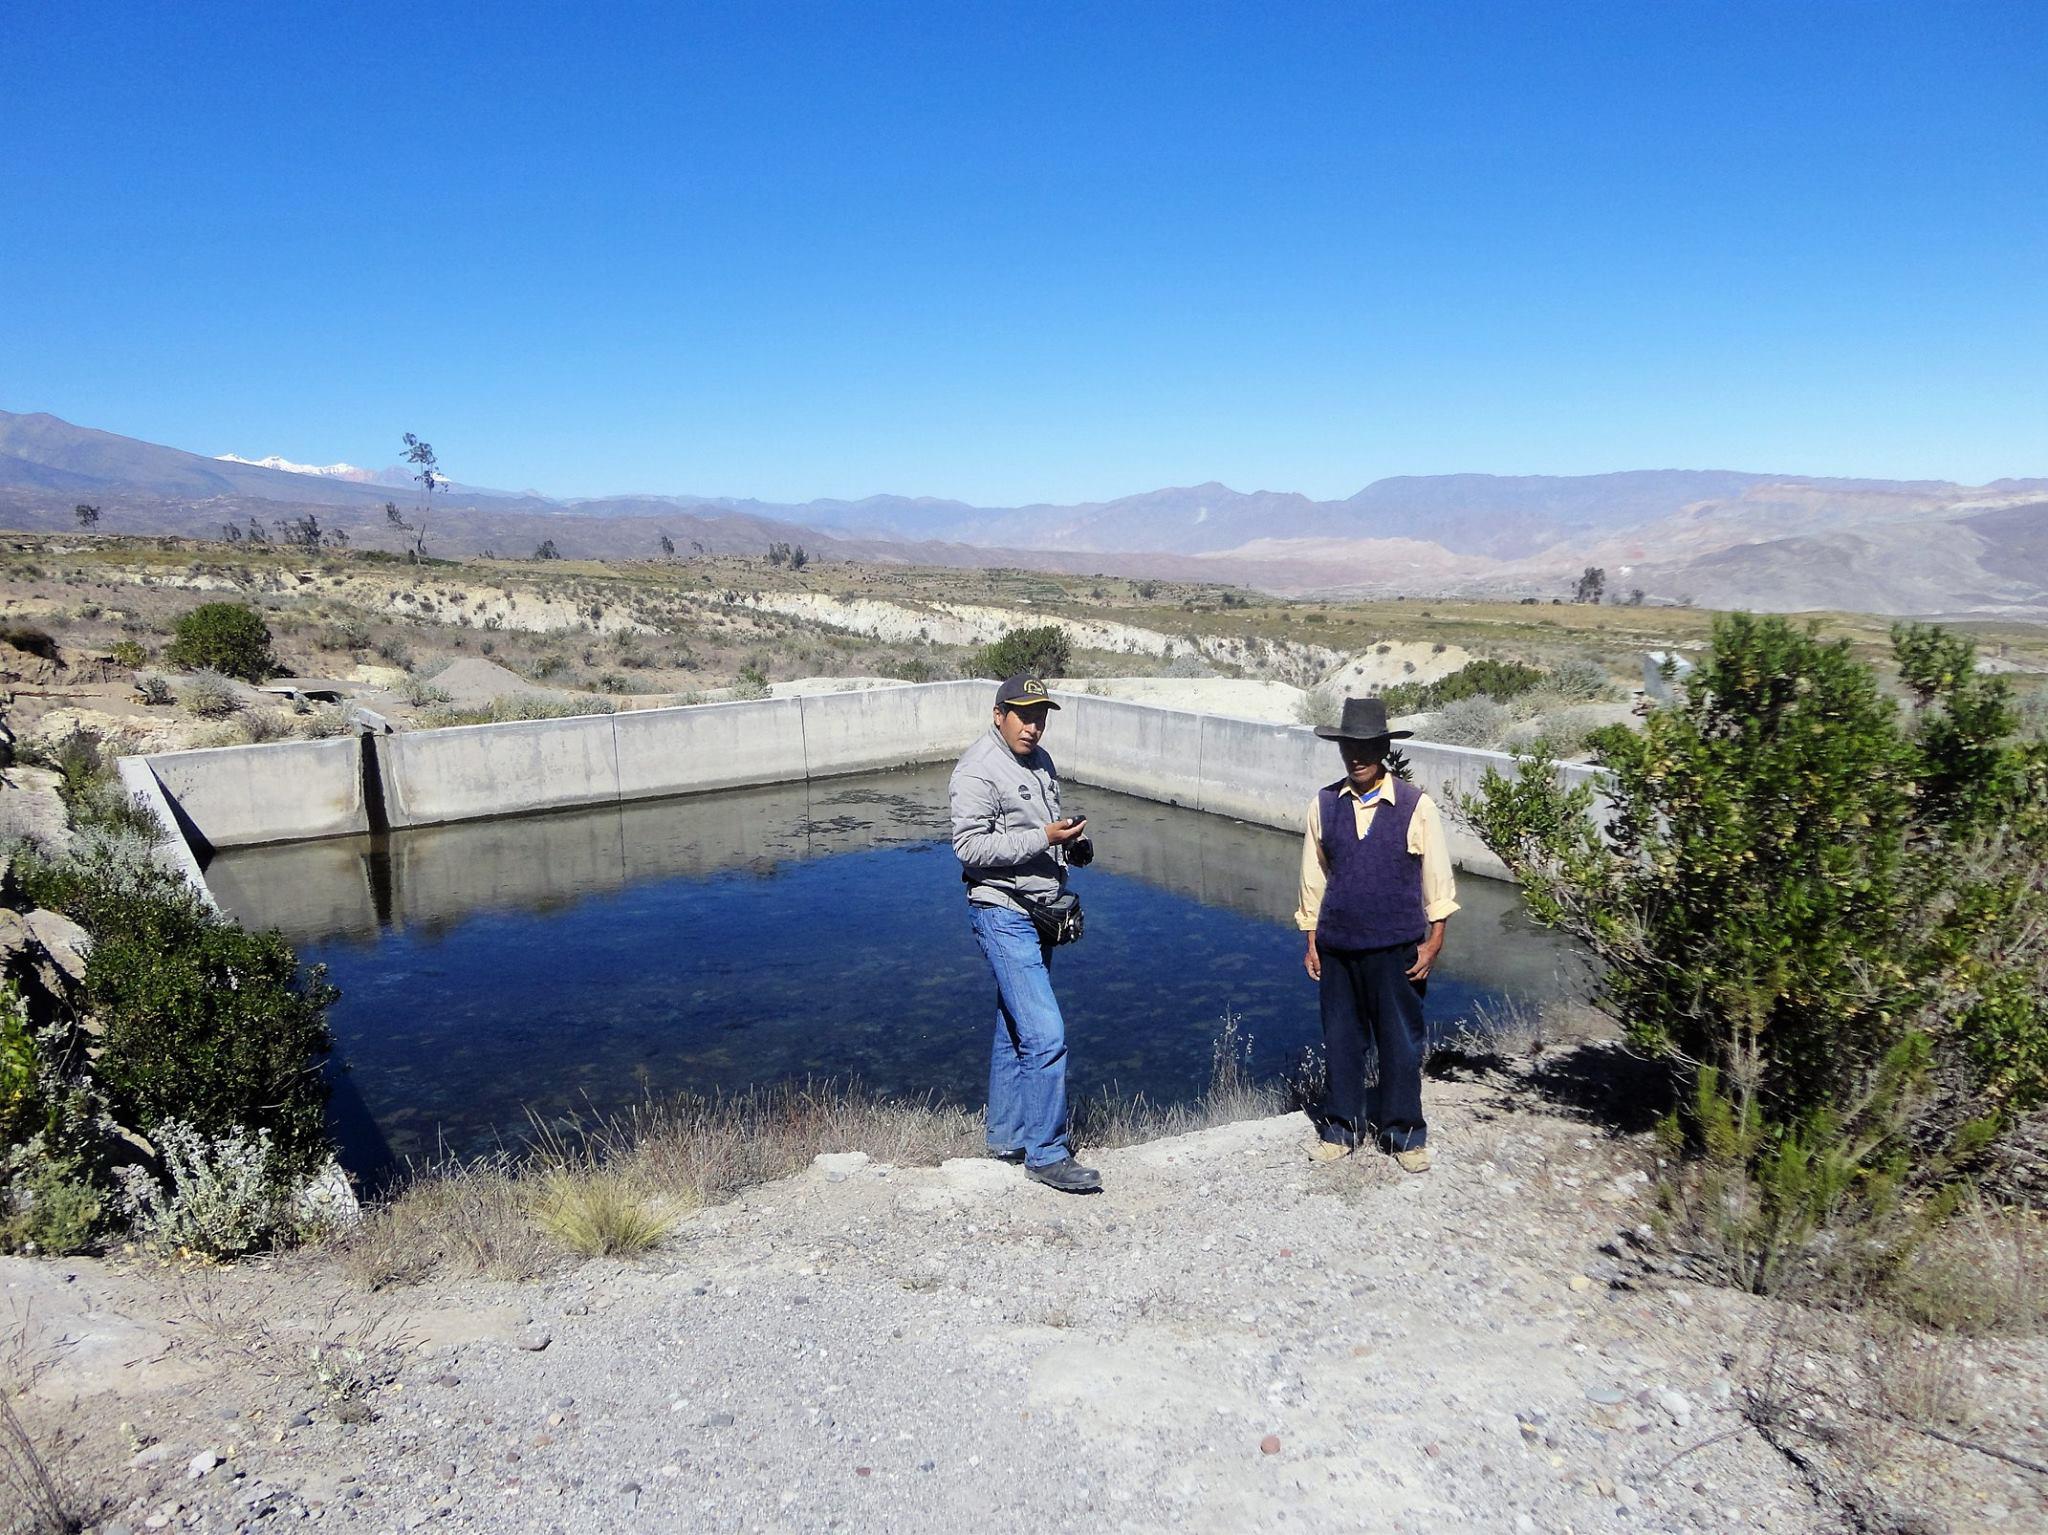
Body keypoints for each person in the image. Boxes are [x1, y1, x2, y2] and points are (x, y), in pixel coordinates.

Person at [949, 673, 1100, 1194]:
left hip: (1039, 911)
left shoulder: (1042, 762)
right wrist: (1044, 837)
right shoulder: (977, 769)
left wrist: (1067, 847)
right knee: (1046, 1034)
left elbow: (1044, 829)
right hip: (1002, 912)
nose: (1033, 726)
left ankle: (1008, 1138)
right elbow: (969, 848)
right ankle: (1048, 1153)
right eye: (1023, 715)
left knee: (1015, 1028)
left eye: (1040, 716)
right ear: (999, 715)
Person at [1294, 696, 1459, 1172]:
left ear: (1384, 747)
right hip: (1338, 947)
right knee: (1342, 1040)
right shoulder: (1322, 804)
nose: (1357, 756)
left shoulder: (1415, 805)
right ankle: (1341, 1129)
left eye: (1367, 746)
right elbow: (1314, 877)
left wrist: (1435, 939)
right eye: (1349, 746)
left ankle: (1405, 1134)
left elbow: (1437, 878)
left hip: (1397, 950)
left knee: (1401, 1042)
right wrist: (1311, 938)